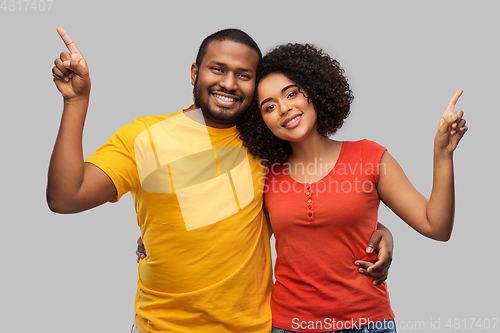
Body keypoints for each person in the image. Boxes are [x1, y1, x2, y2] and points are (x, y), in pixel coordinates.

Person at [48, 27, 395, 333]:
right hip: (162, 327)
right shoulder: (145, 136)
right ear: (195, 72)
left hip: (255, 328)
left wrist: (379, 229)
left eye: (244, 75)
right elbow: (66, 197)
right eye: (218, 69)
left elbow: (317, 200)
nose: (229, 83)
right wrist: (76, 102)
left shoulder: (267, 143)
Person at [237, 43, 468, 332]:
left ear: (314, 91)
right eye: (269, 107)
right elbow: (243, 243)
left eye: (292, 93)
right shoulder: (265, 175)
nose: (284, 108)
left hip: (367, 324)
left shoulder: (369, 157)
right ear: (262, 122)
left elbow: (437, 226)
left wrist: (443, 155)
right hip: (290, 326)